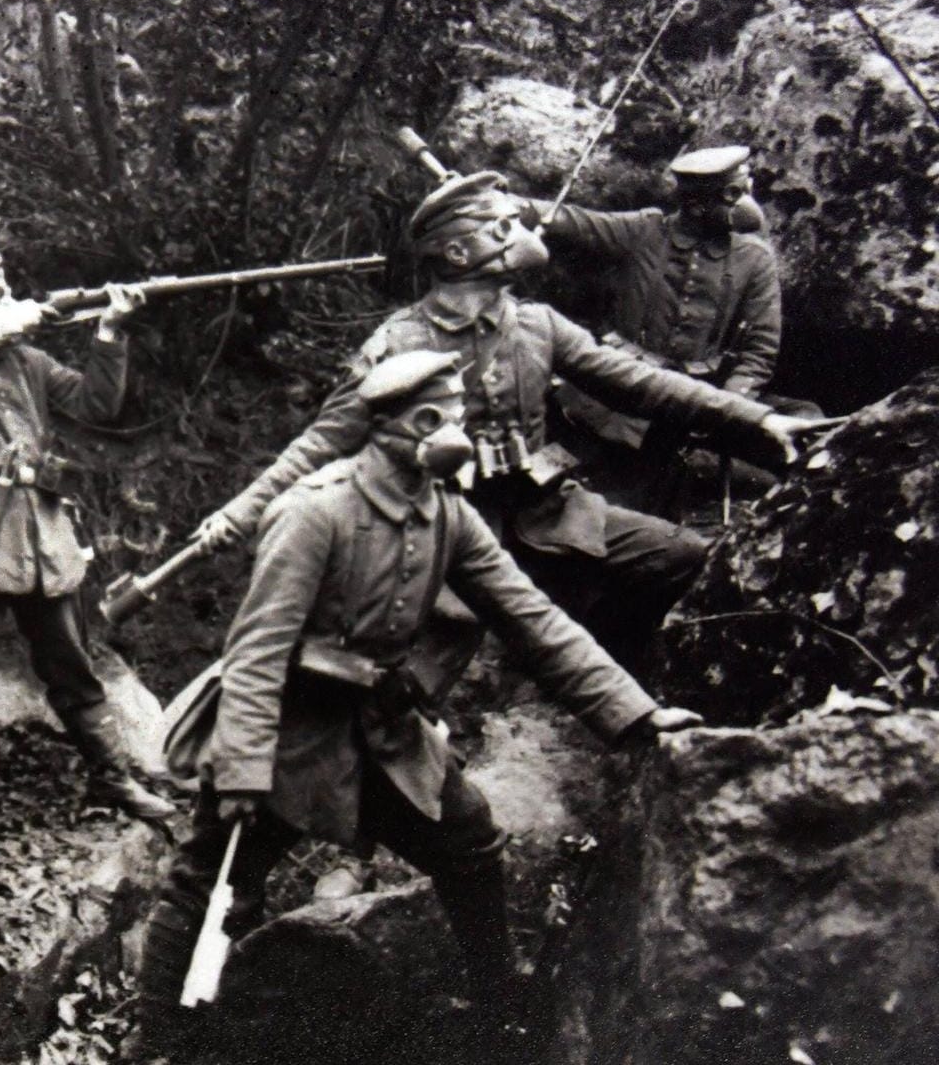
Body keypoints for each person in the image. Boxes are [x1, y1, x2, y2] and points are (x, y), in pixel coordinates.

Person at [123, 352, 704, 1061]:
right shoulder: (315, 511)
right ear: (406, 425)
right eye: (445, 414)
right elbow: (256, 652)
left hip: (384, 730)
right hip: (288, 732)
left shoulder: (448, 515)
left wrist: (636, 714)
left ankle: (500, 1012)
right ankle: (161, 1042)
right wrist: (242, 771)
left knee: (468, 841)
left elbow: (532, 617)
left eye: (460, 410)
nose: (462, 426)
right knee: (210, 883)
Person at [190, 172, 821, 671]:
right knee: (411, 683)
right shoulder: (398, 342)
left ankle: (613, 676)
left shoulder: (537, 323)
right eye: (501, 225)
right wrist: (238, 515)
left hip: (548, 510)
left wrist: (756, 419)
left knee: (687, 558)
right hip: (444, 537)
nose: (519, 228)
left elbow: (646, 385)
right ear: (461, 251)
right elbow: (321, 445)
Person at [0, 253, 174, 836]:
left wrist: (109, 330)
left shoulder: (29, 362)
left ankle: (112, 775)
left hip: (41, 535)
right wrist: (26, 315)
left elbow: (97, 406)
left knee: (72, 665)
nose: (10, 301)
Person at [531, 145, 821, 508]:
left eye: (745, 189)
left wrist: (729, 407)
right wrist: (496, 201)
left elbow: (759, 350)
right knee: (579, 489)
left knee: (806, 421)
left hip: (696, 401)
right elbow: (570, 220)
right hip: (614, 396)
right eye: (734, 193)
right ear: (697, 204)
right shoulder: (644, 231)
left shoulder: (754, 258)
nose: (746, 203)